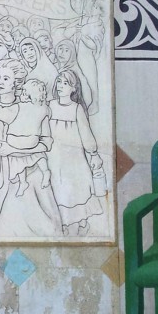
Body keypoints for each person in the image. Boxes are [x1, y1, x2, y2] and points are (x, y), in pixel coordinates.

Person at [0, 59, 61, 237]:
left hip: (26, 171)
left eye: (6, 79)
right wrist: (0, 148)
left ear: (16, 83)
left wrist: (18, 150)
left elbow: (46, 141)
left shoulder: (32, 106)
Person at [47, 70, 105, 235]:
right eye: (59, 82)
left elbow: (86, 134)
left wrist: (93, 153)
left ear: (74, 88)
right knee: (57, 188)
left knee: (76, 188)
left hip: (73, 159)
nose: (60, 86)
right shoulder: (50, 105)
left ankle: (82, 221)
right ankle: (63, 223)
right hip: (53, 156)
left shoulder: (76, 108)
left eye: (65, 83)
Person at [0, 78, 52, 196]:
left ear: (27, 95)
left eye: (23, 93)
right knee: (38, 154)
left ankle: (22, 181)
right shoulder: (44, 109)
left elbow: (0, 114)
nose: (21, 95)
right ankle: (46, 171)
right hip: (33, 142)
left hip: (14, 141)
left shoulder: (18, 107)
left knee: (18, 158)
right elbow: (46, 126)